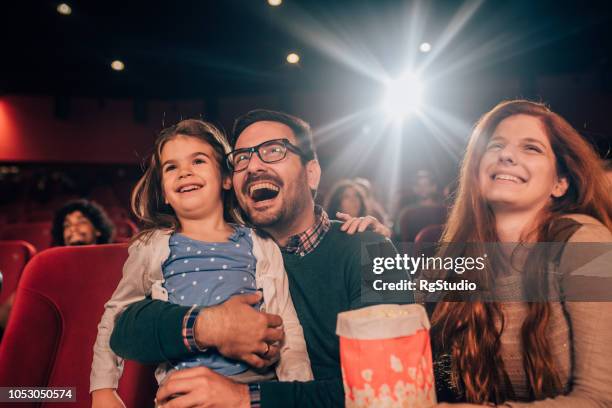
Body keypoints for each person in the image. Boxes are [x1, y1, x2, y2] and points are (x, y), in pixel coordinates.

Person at [108, 110, 407, 407]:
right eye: (241, 158)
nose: (253, 166)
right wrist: (208, 325)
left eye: (274, 151)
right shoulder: (222, 253)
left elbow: (390, 387)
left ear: (311, 172)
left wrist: (244, 399)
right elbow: (125, 330)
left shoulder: (371, 249)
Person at [90, 119, 313, 407]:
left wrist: (297, 393)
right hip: (181, 397)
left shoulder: (260, 244)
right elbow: (116, 316)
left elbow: (287, 328)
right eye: (171, 167)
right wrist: (103, 388)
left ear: (226, 178)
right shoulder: (152, 247)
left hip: (250, 392)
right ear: (165, 192)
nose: (184, 172)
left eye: (198, 160)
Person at [431, 100, 612, 406]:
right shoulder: (459, 258)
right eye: (495, 145)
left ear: (560, 183)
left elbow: (600, 398)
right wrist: (371, 240)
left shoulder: (584, 242)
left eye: (531, 148)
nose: (506, 155)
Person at [50, 199, 115, 246]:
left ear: (98, 229)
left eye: (81, 222)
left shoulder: (113, 259)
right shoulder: (53, 262)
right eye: (67, 225)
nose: (73, 228)